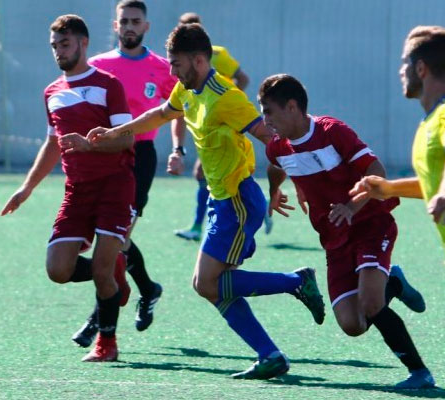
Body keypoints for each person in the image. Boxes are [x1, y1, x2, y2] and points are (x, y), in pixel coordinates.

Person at [88, 23, 325, 379]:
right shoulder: (186, 90)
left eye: (177, 63)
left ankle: (296, 282)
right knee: (214, 286)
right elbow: (161, 114)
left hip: (239, 200)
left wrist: (295, 181)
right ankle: (270, 353)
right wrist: (117, 131)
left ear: (199, 60)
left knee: (206, 284)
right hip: (222, 201)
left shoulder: (226, 97)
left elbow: (272, 138)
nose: (172, 71)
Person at [261, 74, 434, 389]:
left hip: (370, 222)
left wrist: (352, 208)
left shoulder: (332, 131)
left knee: (370, 304)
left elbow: (376, 171)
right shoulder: (277, 148)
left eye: (269, 111)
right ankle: (392, 282)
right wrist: (275, 192)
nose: (265, 119)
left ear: (291, 107)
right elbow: (276, 167)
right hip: (334, 238)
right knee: (353, 325)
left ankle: (420, 373)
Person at [0, 14, 135, 362]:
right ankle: (113, 271)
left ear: (83, 43)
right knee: (58, 270)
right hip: (77, 190)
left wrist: (91, 145)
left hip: (113, 185)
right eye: (55, 46)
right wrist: (26, 188)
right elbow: (53, 145)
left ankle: (107, 343)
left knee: (102, 272)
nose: (59, 51)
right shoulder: (52, 92)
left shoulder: (108, 84)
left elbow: (127, 138)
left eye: (65, 43)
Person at [71, 0, 184, 348]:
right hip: (104, 156)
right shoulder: (99, 66)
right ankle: (148, 289)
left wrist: (179, 150)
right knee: (114, 240)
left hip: (140, 158)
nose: (130, 26)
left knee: (115, 240)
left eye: (136, 21)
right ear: (116, 26)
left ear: (146, 27)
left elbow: (178, 112)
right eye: (125, 21)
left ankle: (97, 321)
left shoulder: (162, 68)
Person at [172, 12, 273, 241]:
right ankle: (254, 206)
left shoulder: (216, 54)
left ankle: (200, 226)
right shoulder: (182, 68)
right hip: (205, 124)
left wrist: (229, 106)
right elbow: (167, 110)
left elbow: (243, 78)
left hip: (221, 123)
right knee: (207, 176)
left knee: (204, 173)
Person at [350, 26, 445, 250]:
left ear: (421, 68)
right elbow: (433, 182)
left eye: (405, 63)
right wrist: (390, 189)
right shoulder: (429, 122)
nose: (401, 71)